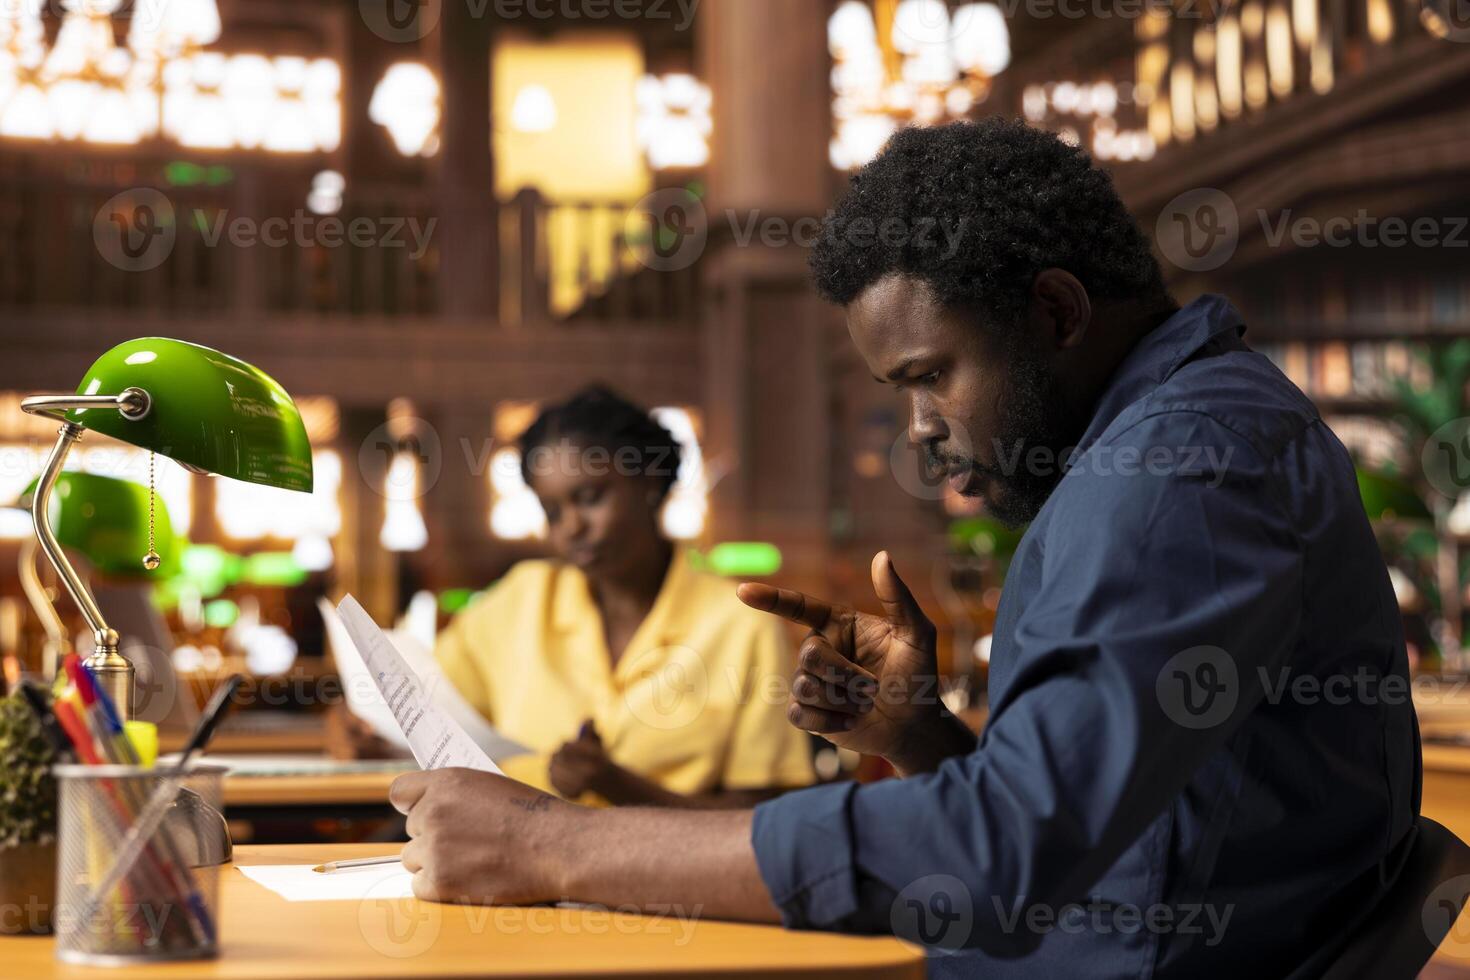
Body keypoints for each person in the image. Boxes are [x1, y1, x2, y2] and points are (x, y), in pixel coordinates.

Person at [386, 121, 1419, 977]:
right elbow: (1088, 833)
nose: (920, 428)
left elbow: (1005, 854)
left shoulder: (1178, 474)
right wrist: (922, 736)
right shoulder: (1158, 442)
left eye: (932, 374)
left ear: (1055, 310)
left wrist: (548, 840)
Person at [331, 385, 815, 807]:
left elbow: (769, 815)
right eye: (552, 510)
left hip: (679, 895)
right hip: (514, 875)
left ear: (648, 483)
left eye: (590, 498)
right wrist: (362, 727)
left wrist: (617, 786)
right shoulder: (522, 598)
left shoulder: (741, 625)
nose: (572, 529)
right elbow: (425, 710)